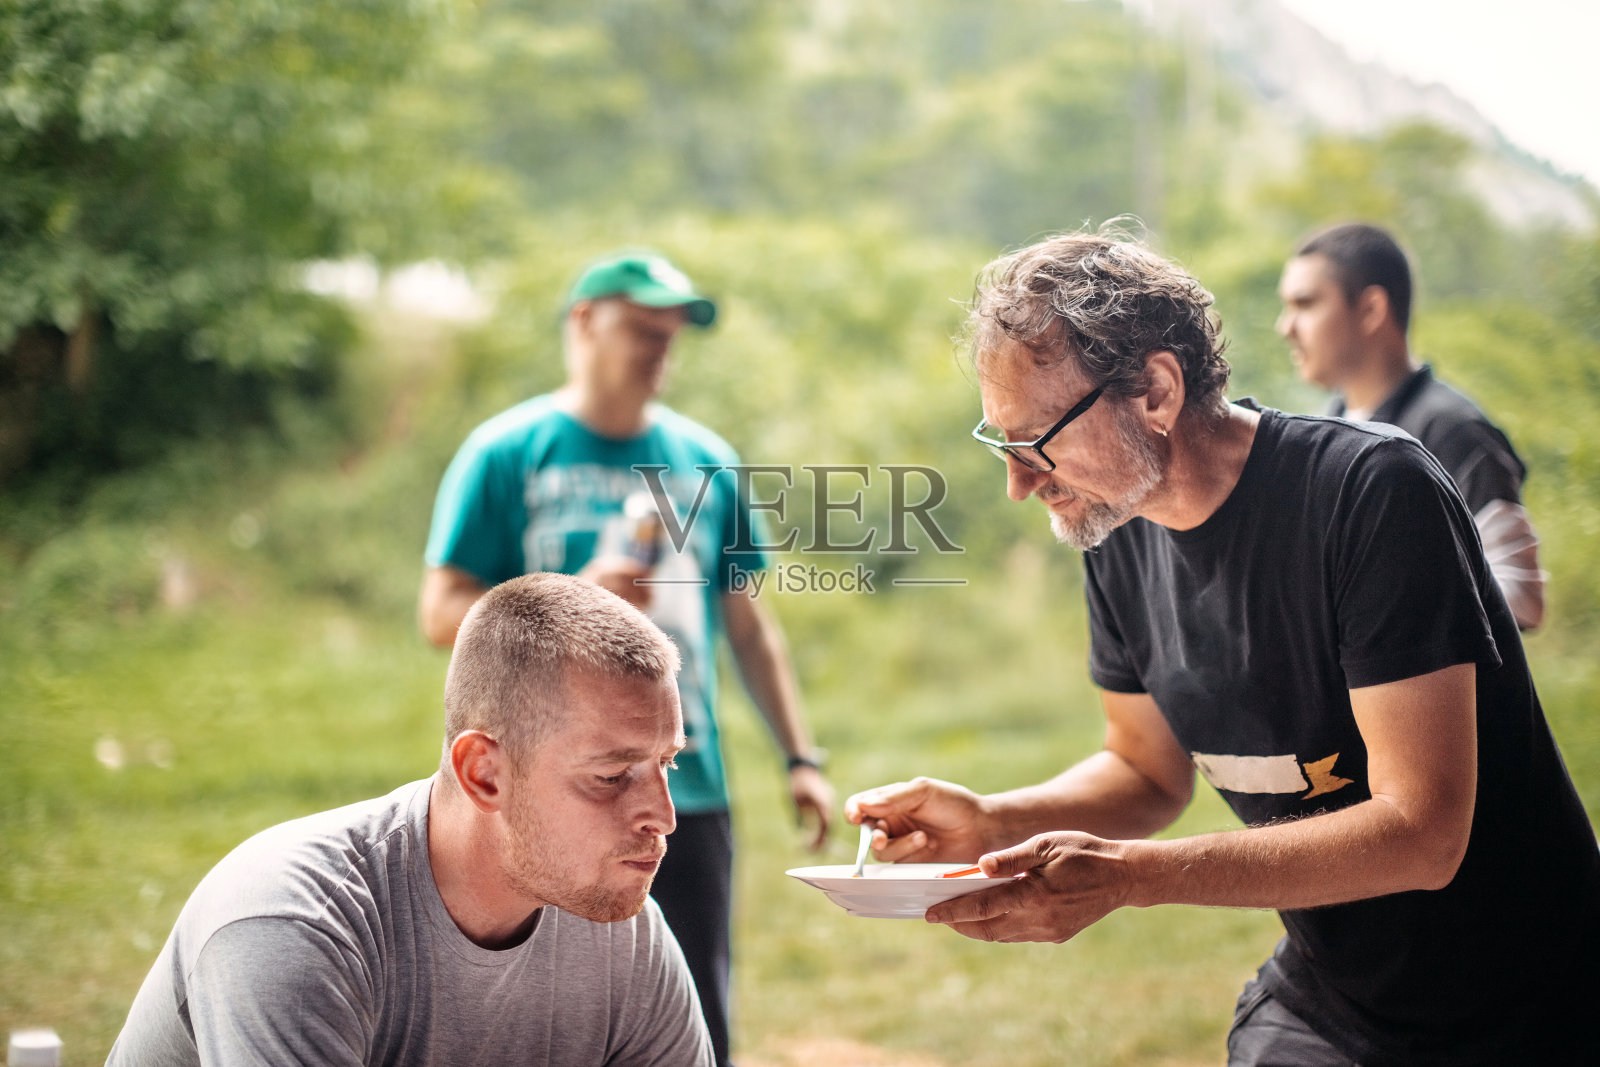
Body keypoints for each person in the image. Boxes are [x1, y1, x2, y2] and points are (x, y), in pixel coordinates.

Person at [847, 232, 1599, 1065]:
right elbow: (1144, 773)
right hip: (1332, 999)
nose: (1021, 482)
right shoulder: (1115, 535)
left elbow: (1422, 833)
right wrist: (995, 818)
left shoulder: (1371, 493)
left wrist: (1132, 876)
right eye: (1003, 444)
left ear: (1157, 392)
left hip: (1532, 1003)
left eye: (1038, 441)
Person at [418, 249, 833, 1066]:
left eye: (671, 334)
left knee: (695, 1012)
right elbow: (440, 613)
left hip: (687, 785)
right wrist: (568, 592)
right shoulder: (507, 454)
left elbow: (747, 625)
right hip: (546, 792)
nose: (659, 349)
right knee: (534, 1020)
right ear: (583, 322)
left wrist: (799, 755)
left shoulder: (705, 460)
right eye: (642, 329)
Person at [108, 572, 714, 1066]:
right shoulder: (294, 925)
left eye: (667, 764)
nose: (663, 816)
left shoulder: (623, 936)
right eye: (611, 777)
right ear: (484, 774)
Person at [1278, 221, 1545, 629]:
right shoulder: (1321, 431)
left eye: (1306, 304)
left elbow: (1523, 598)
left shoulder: (1455, 432)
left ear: (1370, 310)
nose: (1286, 327)